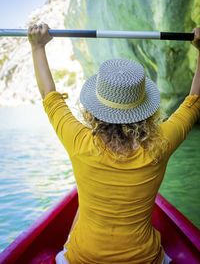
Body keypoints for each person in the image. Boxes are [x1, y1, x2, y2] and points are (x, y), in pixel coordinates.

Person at [28, 24, 200, 264]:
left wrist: (37, 47)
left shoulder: (79, 141)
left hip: (83, 258)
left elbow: (49, 94)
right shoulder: (160, 144)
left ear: (94, 109)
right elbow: (194, 102)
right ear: (144, 109)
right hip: (145, 259)